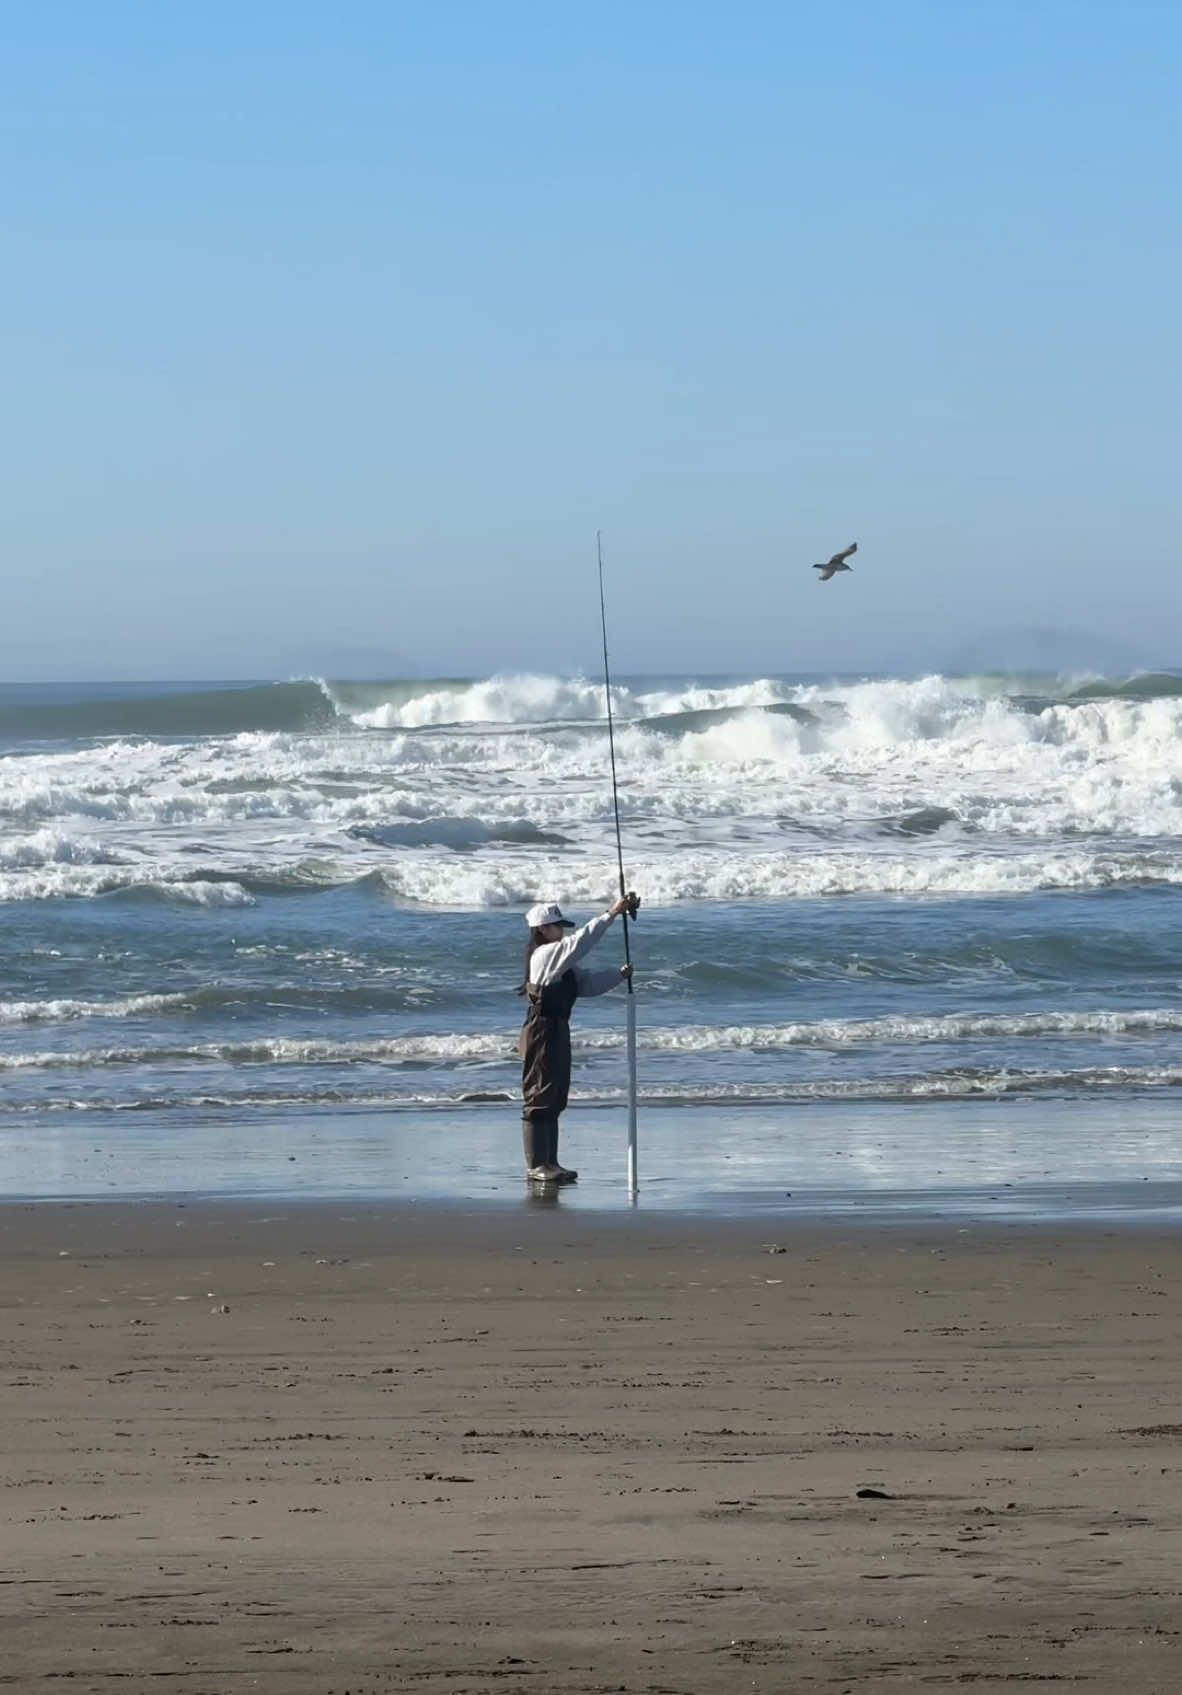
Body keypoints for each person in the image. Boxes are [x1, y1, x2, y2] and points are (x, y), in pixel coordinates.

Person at [518, 894, 639, 1186]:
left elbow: (586, 985)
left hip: (558, 1028)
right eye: (556, 926)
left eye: (561, 925)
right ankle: (537, 1164)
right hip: (542, 1030)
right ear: (542, 930)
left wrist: (618, 976)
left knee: (556, 1095)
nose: (562, 930)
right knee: (540, 1094)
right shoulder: (546, 955)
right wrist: (612, 913)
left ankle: (551, 1161)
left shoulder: (561, 963)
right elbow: (581, 942)